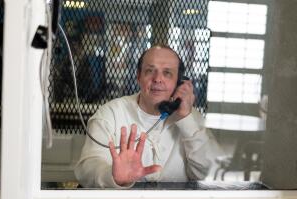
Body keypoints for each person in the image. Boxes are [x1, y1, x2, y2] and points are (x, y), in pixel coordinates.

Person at [74, 45, 212, 188]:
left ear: (179, 82)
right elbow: (87, 167)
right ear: (138, 76)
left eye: (167, 73)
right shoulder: (110, 114)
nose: (158, 79)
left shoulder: (191, 117)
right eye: (150, 71)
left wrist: (186, 119)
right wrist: (113, 177)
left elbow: (203, 173)